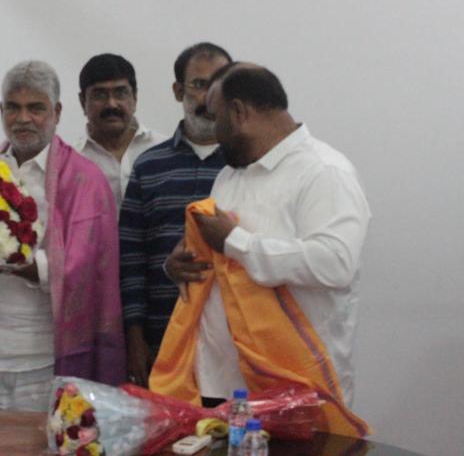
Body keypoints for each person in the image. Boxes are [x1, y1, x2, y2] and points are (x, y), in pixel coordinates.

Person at [151, 63, 371, 435]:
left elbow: (335, 263)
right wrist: (181, 266)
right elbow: (222, 265)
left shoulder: (324, 171)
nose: (214, 134)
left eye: (217, 119)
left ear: (239, 112)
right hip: (219, 385)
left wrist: (236, 242)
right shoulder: (230, 175)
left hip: (295, 389)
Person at [0, 60, 125, 411]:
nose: (23, 118)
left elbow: (84, 268)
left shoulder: (84, 179)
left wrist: (4, 259)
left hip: (42, 361)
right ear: (0, 110)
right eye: (13, 108)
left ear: (57, 112)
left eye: (36, 108)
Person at [119, 42, 231, 388]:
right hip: (162, 338)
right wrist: (135, 339)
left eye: (219, 84)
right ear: (178, 91)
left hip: (231, 342)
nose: (209, 96)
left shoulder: (248, 166)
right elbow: (131, 259)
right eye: (198, 85)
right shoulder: (149, 165)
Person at [75, 53, 166, 212]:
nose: (111, 104)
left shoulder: (164, 151)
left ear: (135, 98)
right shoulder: (70, 162)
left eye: (120, 93)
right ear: (83, 102)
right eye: (100, 95)